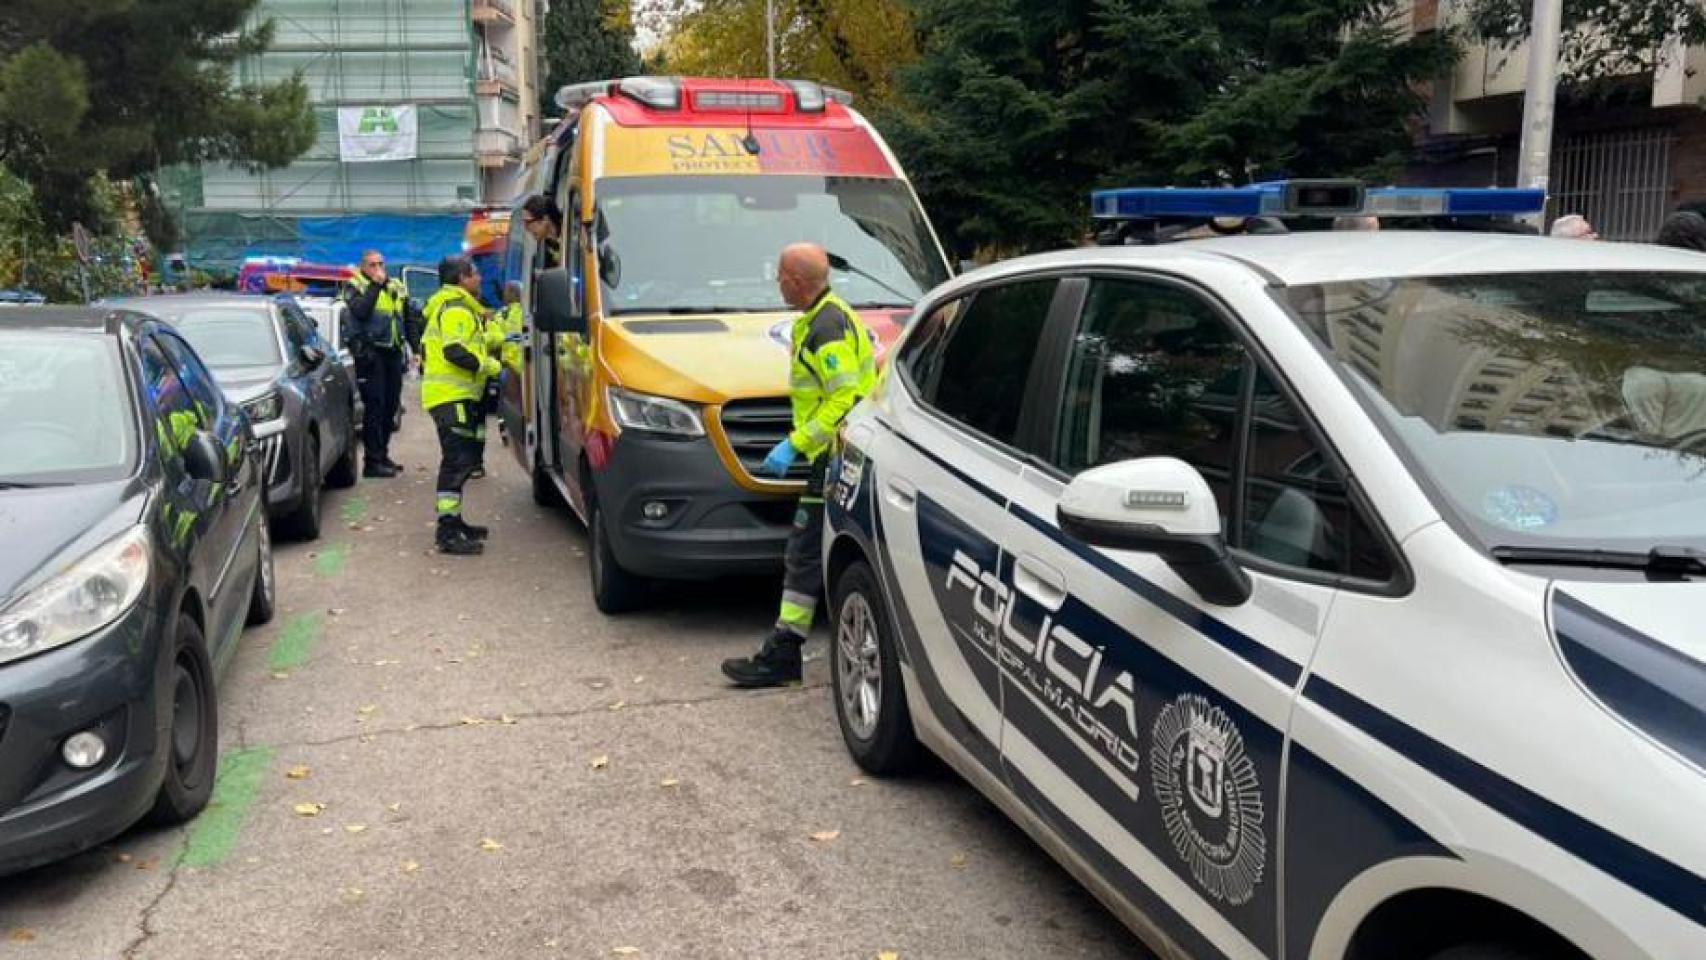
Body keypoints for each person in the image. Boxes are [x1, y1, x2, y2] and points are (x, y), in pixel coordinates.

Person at [721, 243, 878, 688]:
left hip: (835, 455)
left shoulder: (825, 327)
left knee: (807, 551)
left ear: (794, 280)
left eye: (779, 277)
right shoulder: (826, 316)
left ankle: (785, 652)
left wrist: (796, 443)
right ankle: (785, 647)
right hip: (836, 454)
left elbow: (845, 396)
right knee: (807, 551)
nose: (777, 284)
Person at [421, 256, 502, 555]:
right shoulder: (455, 309)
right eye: (476, 273)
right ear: (462, 278)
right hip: (449, 396)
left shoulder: (457, 307)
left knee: (463, 461)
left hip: (453, 395)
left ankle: (455, 522)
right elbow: (455, 350)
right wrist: (490, 366)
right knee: (455, 463)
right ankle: (447, 532)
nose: (480, 278)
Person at [343, 250, 423, 477]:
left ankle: (383, 454)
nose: (378, 269)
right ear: (363, 267)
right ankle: (372, 461)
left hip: (393, 352)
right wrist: (375, 286)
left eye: (381, 264)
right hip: (370, 354)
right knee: (374, 407)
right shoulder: (354, 285)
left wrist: (415, 349)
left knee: (390, 406)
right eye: (372, 265)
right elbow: (360, 311)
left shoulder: (396, 285)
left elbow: (408, 319)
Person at [521, 194, 564, 267]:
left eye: (528, 222)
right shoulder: (542, 255)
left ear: (545, 219)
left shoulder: (572, 237)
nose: (526, 228)